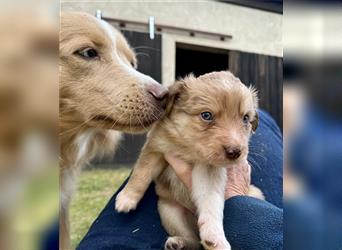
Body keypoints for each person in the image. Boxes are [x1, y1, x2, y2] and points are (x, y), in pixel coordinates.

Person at [77, 110, 283, 250]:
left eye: (245, 119)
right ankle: (191, 242)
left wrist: (235, 201)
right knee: (168, 207)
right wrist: (134, 190)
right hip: (180, 206)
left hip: (243, 223)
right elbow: (152, 154)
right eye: (207, 116)